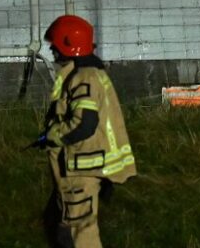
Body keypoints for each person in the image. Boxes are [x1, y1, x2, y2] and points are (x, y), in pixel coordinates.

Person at [32, 15, 134, 248]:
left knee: (81, 235)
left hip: (80, 169)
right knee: (64, 227)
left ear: (67, 46)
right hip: (82, 167)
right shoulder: (91, 73)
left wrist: (53, 136)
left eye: (55, 46)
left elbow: (84, 124)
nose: (52, 50)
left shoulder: (83, 78)